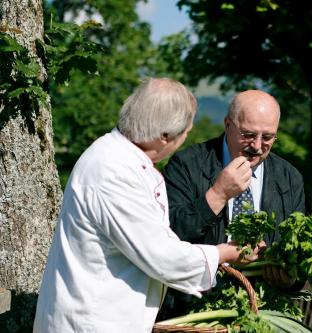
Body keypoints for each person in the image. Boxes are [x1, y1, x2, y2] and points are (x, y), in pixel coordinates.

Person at [33, 78, 262, 333]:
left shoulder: (120, 159)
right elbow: (162, 256)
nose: (185, 139)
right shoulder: (112, 172)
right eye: (185, 133)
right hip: (92, 320)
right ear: (164, 136)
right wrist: (225, 253)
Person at [161, 89, 306, 316]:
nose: (257, 146)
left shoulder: (289, 178)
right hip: (193, 308)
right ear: (228, 124)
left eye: (268, 137)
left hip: (262, 310)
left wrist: (289, 277)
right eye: (248, 134)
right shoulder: (187, 164)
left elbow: (300, 253)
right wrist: (218, 195)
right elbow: (169, 235)